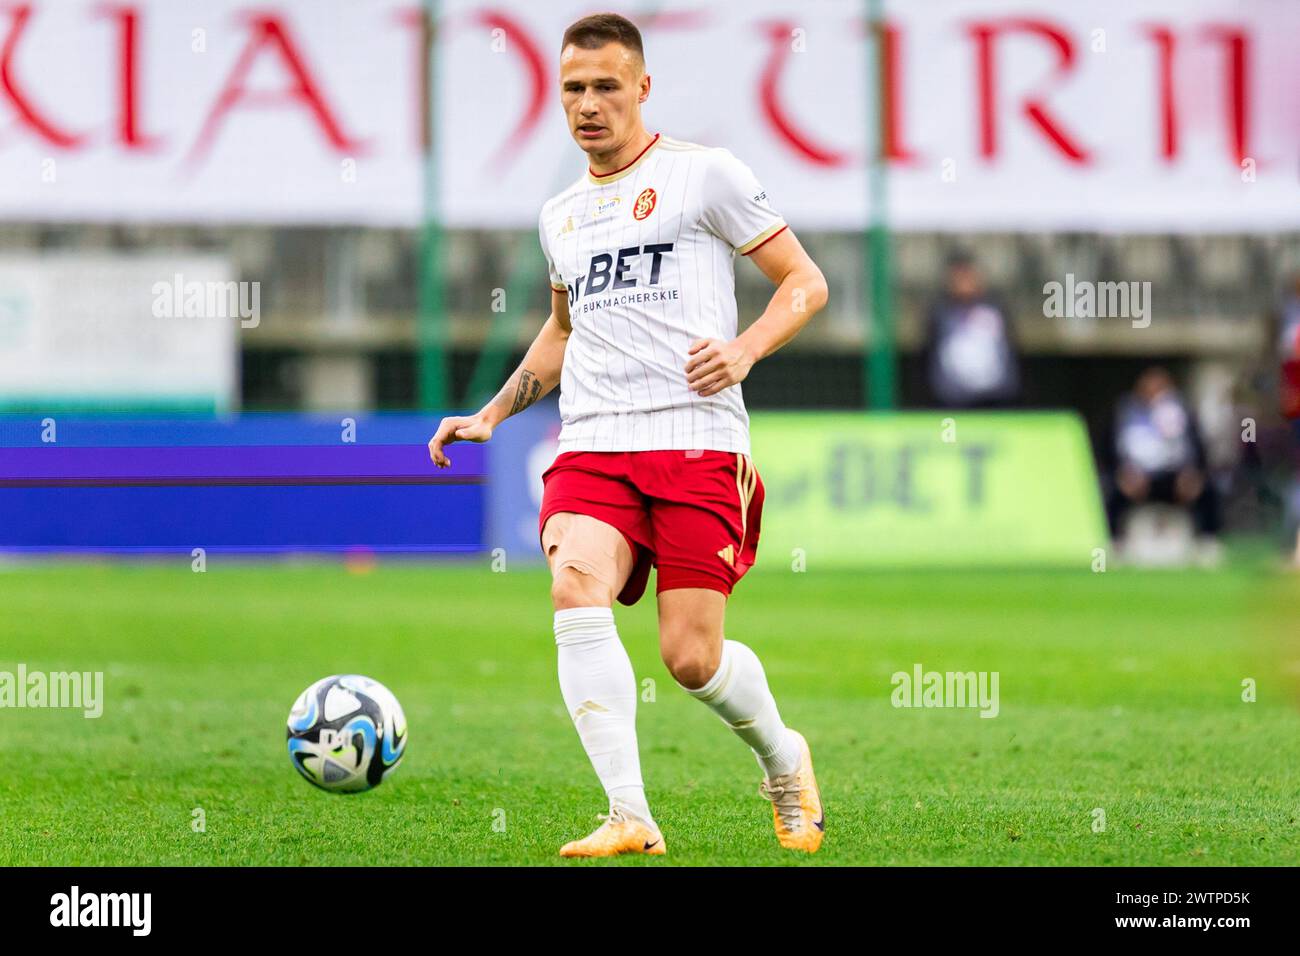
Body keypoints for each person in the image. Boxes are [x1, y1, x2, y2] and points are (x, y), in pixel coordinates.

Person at [427, 13, 829, 857]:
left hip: (695, 440)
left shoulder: (705, 176)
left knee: (690, 659)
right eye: (573, 88)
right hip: (595, 442)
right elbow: (563, 331)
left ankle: (782, 754)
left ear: (642, 87)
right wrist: (495, 412)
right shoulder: (562, 215)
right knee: (574, 584)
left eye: (606, 86)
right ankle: (629, 812)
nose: (588, 104)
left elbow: (805, 282)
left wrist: (745, 348)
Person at [1106, 366, 1221, 543]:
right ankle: (1114, 542)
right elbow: (1109, 450)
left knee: (1208, 490)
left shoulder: (1183, 412)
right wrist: (1124, 472)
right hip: (1138, 476)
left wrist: (1192, 473)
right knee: (1111, 491)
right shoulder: (1125, 412)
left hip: (1175, 476)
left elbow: (1198, 448)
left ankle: (1208, 541)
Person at [920, 252, 1022, 408]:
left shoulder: (995, 309)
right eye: (958, 277)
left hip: (995, 399)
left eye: (968, 276)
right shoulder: (940, 313)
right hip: (953, 400)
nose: (964, 283)